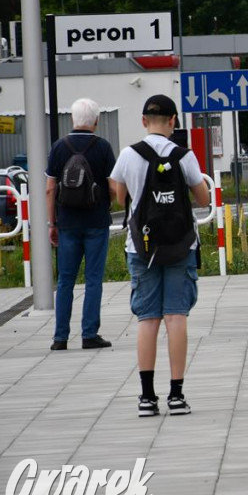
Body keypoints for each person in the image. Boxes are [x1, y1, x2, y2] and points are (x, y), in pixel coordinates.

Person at [109, 95, 210, 417]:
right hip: (180, 245)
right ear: (173, 121)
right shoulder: (184, 156)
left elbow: (120, 198)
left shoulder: (128, 155)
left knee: (147, 319)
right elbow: (203, 198)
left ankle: (147, 397)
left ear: (143, 121)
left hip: (142, 248)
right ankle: (177, 395)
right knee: (176, 317)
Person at [46, 98, 116, 351]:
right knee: (93, 278)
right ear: (96, 121)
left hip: (66, 222)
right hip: (96, 221)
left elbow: (50, 188)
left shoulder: (58, 147)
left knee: (65, 279)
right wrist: (111, 204)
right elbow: (113, 185)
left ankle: (60, 338)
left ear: (72, 119)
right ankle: (89, 335)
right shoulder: (103, 147)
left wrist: (51, 223)